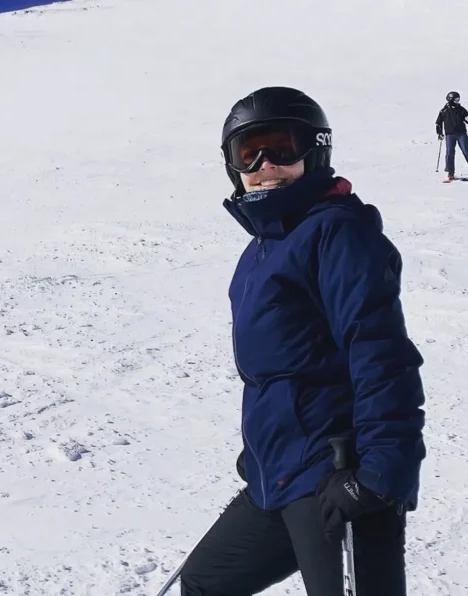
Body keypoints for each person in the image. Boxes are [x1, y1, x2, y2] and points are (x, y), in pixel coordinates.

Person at [177, 86, 427, 595]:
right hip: (281, 477)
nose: (265, 164)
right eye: (249, 153)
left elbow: (378, 351)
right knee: (206, 582)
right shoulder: (261, 250)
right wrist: (260, 456)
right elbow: (277, 374)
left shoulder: (338, 232)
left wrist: (377, 474)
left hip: (341, 476)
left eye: (280, 148)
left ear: (314, 150)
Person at [436, 90, 468, 182]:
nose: (458, 101)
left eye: (458, 99)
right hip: (450, 135)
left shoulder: (461, 109)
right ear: (451, 99)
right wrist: (439, 133)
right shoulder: (444, 110)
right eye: (456, 99)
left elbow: (467, 118)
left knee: (466, 150)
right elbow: (438, 123)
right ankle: (450, 173)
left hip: (461, 133)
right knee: (450, 153)